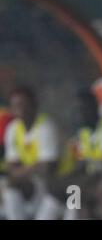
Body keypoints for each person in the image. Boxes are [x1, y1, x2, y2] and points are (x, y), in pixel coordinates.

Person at [2, 87, 59, 219]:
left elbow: (47, 168)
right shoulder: (13, 129)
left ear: (34, 105)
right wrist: (33, 167)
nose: (20, 110)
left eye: (24, 105)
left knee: (76, 210)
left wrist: (21, 171)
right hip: (35, 181)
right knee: (10, 185)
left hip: (60, 184)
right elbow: (12, 168)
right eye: (15, 106)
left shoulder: (46, 126)